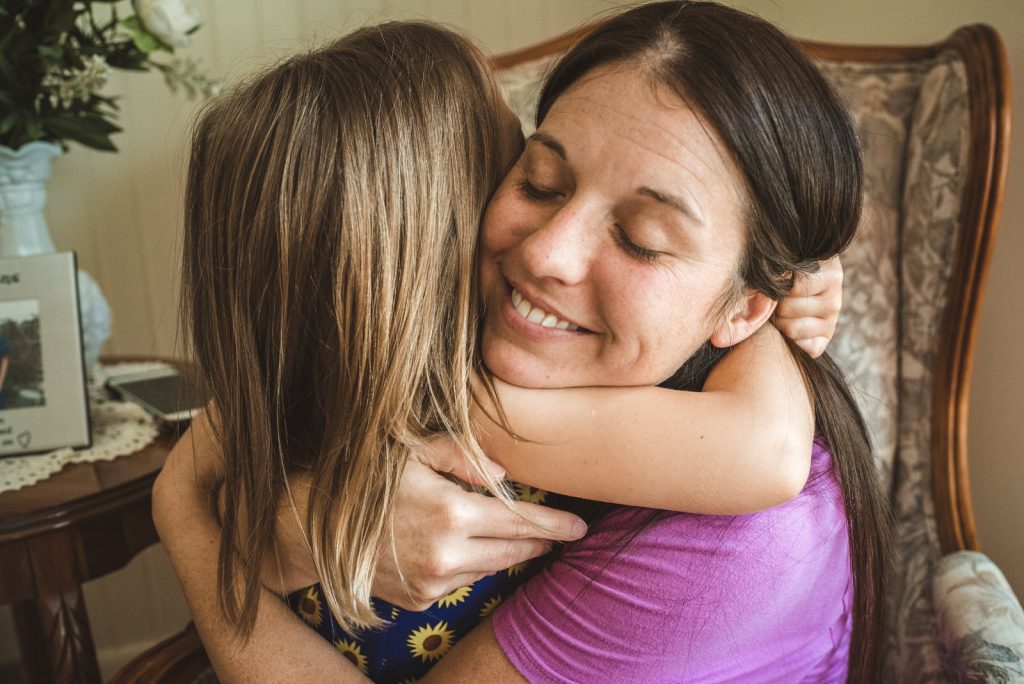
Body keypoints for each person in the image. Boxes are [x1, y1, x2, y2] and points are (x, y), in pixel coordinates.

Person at [155, 2, 887, 681]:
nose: (545, 255)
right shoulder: (410, 358)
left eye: (640, 240)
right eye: (538, 182)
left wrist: (189, 521)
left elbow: (762, 452)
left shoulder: (741, 537)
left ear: (747, 305)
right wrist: (266, 538)